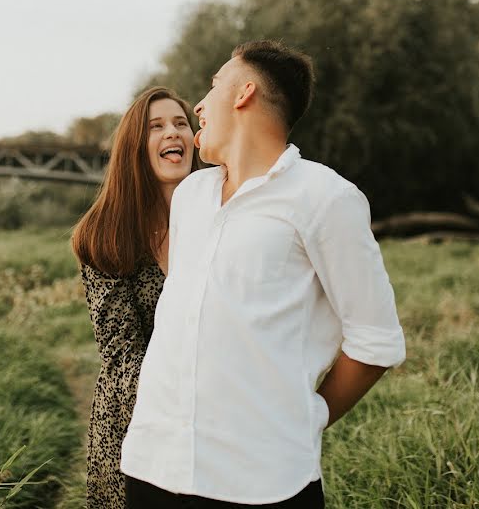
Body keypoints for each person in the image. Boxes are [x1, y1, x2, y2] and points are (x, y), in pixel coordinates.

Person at [121, 41, 406, 508]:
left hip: (263, 481)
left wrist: (308, 417)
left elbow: (376, 342)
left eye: (212, 87)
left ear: (243, 93)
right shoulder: (191, 195)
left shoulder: (326, 198)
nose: (198, 106)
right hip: (152, 467)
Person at [71, 85, 198, 509]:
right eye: (156, 127)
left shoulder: (218, 220)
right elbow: (122, 352)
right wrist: (191, 401)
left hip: (214, 424)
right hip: (133, 422)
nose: (173, 133)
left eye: (181, 123)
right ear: (135, 146)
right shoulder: (103, 234)